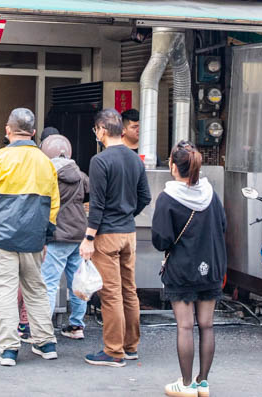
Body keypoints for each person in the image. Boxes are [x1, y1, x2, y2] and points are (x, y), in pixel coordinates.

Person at [0, 108, 60, 367]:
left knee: (4, 292)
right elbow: (53, 204)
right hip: (34, 239)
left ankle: (8, 350)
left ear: (7, 130)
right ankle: (46, 343)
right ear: (34, 132)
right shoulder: (45, 163)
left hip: (1, 237)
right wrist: (46, 235)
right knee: (36, 290)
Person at [152, 142, 226, 397]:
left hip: (182, 269)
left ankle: (185, 385)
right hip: (212, 265)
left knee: (185, 326)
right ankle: (203, 383)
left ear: (173, 166)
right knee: (207, 325)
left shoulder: (168, 197)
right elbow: (223, 224)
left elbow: (161, 239)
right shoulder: (210, 192)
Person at [80, 109, 151, 367]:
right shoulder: (135, 160)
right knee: (129, 291)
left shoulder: (100, 161)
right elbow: (145, 197)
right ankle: (131, 347)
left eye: (95, 130)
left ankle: (113, 351)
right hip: (128, 233)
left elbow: (96, 205)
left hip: (107, 234)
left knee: (110, 294)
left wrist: (89, 237)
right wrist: (128, 214)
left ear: (100, 130)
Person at [40, 132, 90, 340]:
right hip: (79, 233)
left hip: (58, 234)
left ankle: (44, 329)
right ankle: (77, 326)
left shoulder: (47, 175)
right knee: (77, 282)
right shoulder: (81, 176)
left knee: (49, 282)